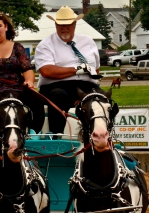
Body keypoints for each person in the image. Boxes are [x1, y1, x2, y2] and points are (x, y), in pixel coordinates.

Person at [34, 6, 104, 135]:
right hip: (55, 86)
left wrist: (90, 80)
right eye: (60, 24)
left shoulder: (88, 41)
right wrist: (77, 69)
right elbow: (46, 71)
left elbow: (96, 68)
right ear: (55, 24)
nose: (64, 28)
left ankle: (100, 136)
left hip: (85, 86)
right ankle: (57, 136)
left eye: (68, 24)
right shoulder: (45, 44)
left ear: (75, 24)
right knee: (59, 95)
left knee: (102, 97)